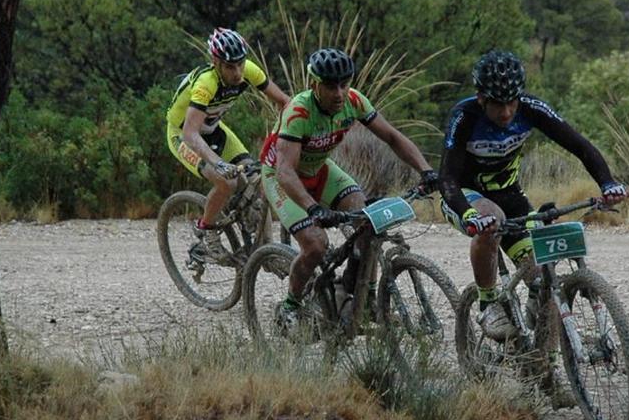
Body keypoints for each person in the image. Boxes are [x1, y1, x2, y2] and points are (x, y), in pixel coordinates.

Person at [437, 50, 628, 402]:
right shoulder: (464, 116)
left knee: (542, 279)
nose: (507, 112)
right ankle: (487, 302)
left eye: (511, 102)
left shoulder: (531, 108)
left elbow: (580, 146)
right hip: (464, 196)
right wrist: (467, 213)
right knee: (489, 221)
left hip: (510, 196)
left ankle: (541, 372)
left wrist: (607, 183)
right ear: (481, 98)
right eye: (497, 104)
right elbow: (446, 177)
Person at [260, 47, 439, 333]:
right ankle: (290, 306)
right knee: (316, 245)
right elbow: (284, 171)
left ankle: (357, 296)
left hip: (320, 169)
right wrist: (313, 208)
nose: (340, 93)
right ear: (314, 85)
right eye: (331, 86)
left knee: (367, 220)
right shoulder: (298, 112)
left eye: (345, 83)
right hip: (283, 177)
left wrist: (425, 170)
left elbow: (392, 137)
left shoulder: (353, 101)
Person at [166, 28, 288, 255]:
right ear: (215, 62)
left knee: (258, 178)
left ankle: (264, 249)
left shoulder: (248, 70)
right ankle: (207, 230)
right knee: (226, 182)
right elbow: (191, 135)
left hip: (214, 128)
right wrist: (218, 163)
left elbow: (284, 101)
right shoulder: (206, 83)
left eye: (240, 64)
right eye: (230, 67)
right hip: (182, 134)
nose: (238, 72)